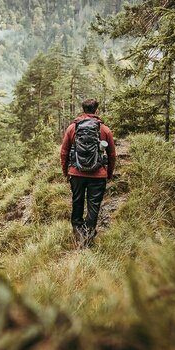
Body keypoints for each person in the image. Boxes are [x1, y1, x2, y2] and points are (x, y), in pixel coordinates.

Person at [60, 98, 116, 247]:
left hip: (76, 173)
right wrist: (109, 174)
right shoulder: (104, 130)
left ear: (83, 110)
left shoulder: (72, 128)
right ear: (96, 110)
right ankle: (88, 236)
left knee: (77, 202)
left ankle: (78, 233)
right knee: (93, 206)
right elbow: (112, 155)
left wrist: (66, 171)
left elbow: (64, 152)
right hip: (98, 175)